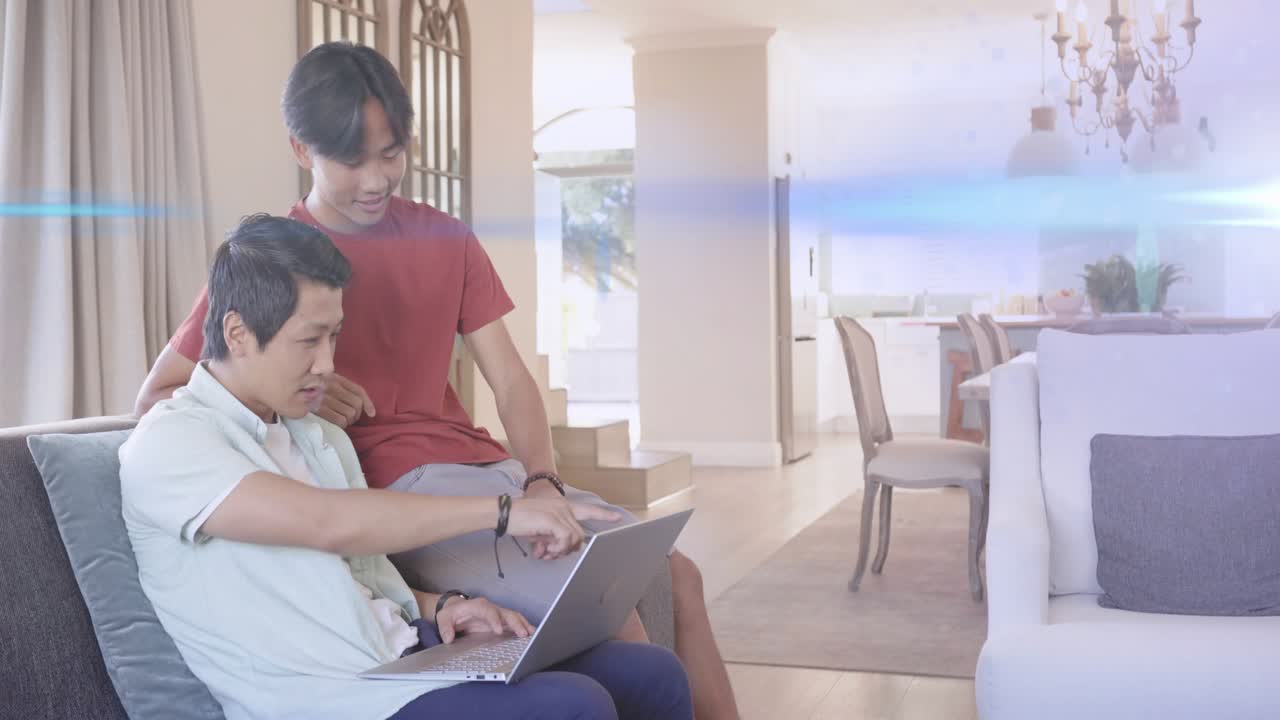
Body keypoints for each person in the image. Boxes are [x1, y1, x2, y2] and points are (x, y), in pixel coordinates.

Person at [133, 42, 739, 719]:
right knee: (604, 608)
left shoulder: (445, 238)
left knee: (675, 572)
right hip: (400, 493)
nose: (375, 179)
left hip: (484, 470)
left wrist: (540, 478)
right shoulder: (278, 269)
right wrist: (313, 406)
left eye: (390, 154)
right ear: (302, 152)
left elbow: (510, 378)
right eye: (351, 160)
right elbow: (166, 397)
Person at [121, 214, 693, 720]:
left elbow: (364, 576)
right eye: (309, 340)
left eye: (335, 337)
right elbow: (328, 522)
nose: (327, 364)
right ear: (237, 334)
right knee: (576, 705)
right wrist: (506, 512)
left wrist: (446, 608)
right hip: (330, 695)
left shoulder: (319, 439)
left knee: (650, 672)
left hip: (405, 658)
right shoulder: (171, 442)